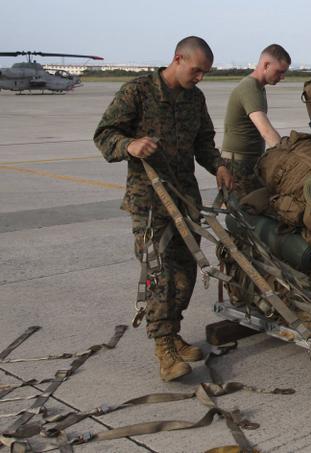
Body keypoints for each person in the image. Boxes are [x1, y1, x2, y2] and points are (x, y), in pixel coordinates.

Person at [94, 36, 234, 382]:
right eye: (197, 70)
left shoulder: (194, 98)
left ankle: (172, 332)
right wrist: (130, 144)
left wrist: (217, 165)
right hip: (150, 202)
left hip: (184, 197)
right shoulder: (137, 92)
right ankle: (164, 350)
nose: (200, 77)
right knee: (160, 273)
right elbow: (104, 135)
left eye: (205, 73)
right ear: (177, 59)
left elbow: (203, 141)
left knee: (186, 270)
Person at [222, 44, 290, 197]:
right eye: (279, 72)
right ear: (266, 65)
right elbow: (265, 130)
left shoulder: (258, 88)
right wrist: (288, 157)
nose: (282, 77)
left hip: (248, 162)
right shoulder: (250, 88)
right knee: (245, 215)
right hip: (238, 165)